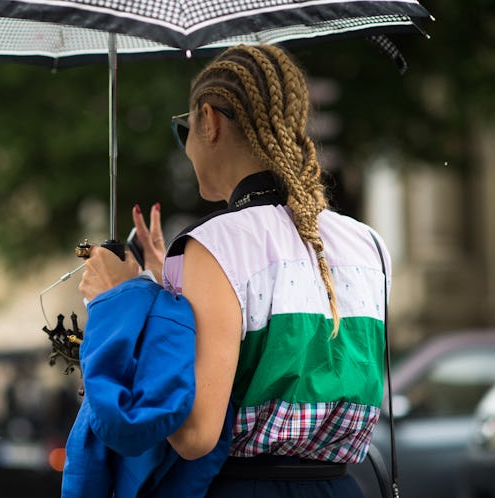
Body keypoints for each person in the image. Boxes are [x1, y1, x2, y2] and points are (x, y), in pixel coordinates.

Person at [78, 43, 391, 498]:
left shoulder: (215, 245)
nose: (186, 145)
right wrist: (171, 283)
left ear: (210, 120)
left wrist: (122, 299)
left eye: (183, 128)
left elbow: (193, 436)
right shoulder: (369, 244)